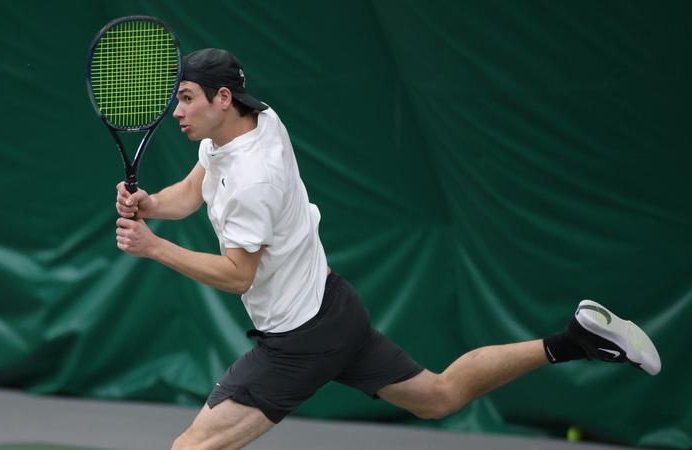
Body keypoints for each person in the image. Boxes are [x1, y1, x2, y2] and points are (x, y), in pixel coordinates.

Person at [114, 48, 661, 450]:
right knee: (440, 396)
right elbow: (191, 191)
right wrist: (151, 204)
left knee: (192, 449)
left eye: (185, 99)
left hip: (299, 340)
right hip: (334, 308)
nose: (175, 113)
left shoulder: (256, 178)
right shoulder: (249, 125)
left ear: (223, 98)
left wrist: (154, 247)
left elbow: (237, 276)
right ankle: (574, 341)